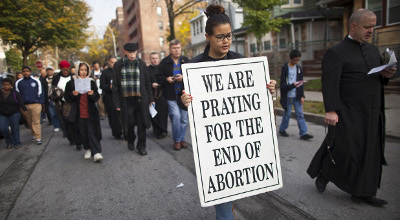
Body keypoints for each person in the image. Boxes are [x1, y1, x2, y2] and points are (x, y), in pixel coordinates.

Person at [180, 4, 277, 219]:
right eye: (220, 37)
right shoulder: (194, 66)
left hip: (239, 140)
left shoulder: (240, 61)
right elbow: (183, 103)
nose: (226, 41)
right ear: (207, 37)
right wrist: (184, 99)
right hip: (214, 144)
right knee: (223, 200)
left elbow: (253, 100)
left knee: (234, 191)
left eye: (229, 36)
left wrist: (268, 90)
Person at [307, 9, 396, 207]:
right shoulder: (336, 52)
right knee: (346, 151)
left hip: (372, 112)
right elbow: (329, 82)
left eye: (373, 26)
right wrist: (331, 110)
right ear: (354, 26)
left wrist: (386, 75)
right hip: (347, 111)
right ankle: (324, 171)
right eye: (367, 27)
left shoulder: (373, 51)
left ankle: (363, 192)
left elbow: (377, 78)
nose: (371, 30)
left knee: (370, 153)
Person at [112, 43, 154, 156]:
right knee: (129, 124)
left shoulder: (142, 64)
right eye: (130, 52)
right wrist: (116, 103)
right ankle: (130, 139)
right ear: (125, 52)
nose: (132, 54)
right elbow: (115, 85)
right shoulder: (118, 65)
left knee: (142, 125)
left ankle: (141, 147)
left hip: (141, 99)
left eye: (134, 52)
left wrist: (151, 98)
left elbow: (147, 82)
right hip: (126, 100)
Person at [65, 62, 103, 162]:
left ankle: (97, 153)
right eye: (81, 70)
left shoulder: (91, 82)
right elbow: (67, 97)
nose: (83, 72)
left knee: (92, 132)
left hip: (91, 113)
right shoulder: (71, 83)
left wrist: (92, 94)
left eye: (85, 70)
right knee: (83, 133)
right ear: (77, 70)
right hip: (78, 113)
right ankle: (87, 149)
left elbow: (96, 97)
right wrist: (73, 94)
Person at [156, 39, 190, 150]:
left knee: (184, 120)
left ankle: (181, 138)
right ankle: (176, 140)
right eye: (174, 48)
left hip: (183, 95)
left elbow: (193, 75)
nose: (177, 50)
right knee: (176, 116)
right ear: (170, 49)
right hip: (170, 95)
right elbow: (158, 77)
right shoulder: (164, 62)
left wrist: (183, 78)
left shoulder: (186, 61)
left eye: (178, 48)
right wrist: (166, 79)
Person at [278, 49, 313, 140]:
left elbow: (301, 83)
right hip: (288, 96)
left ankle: (303, 133)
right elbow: (282, 85)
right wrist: (292, 86)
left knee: (300, 114)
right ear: (290, 58)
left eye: (298, 60)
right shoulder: (285, 68)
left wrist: (302, 96)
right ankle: (282, 129)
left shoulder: (299, 69)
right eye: (295, 60)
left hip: (297, 95)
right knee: (287, 114)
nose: (296, 62)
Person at [52, 60, 81, 149]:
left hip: (73, 102)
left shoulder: (73, 78)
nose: (65, 71)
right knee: (67, 121)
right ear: (61, 69)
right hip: (62, 103)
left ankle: (78, 139)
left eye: (67, 69)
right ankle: (71, 138)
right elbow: (53, 90)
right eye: (63, 70)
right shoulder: (56, 78)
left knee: (75, 121)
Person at [15, 66, 45, 145]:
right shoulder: (18, 82)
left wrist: (41, 102)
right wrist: (21, 106)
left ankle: (38, 138)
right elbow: (17, 95)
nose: (26, 73)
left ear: (30, 72)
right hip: (24, 106)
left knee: (36, 121)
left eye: (27, 71)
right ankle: (33, 134)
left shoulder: (36, 81)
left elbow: (41, 92)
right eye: (24, 71)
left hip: (36, 104)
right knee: (29, 122)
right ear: (22, 72)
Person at [0, 78, 28, 149]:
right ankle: (8, 141)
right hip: (2, 114)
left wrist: (24, 109)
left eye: (8, 85)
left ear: (11, 85)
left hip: (14, 113)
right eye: (4, 85)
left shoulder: (15, 93)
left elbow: (20, 102)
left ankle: (17, 143)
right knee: (3, 129)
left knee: (15, 129)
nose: (6, 86)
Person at [100, 55, 122, 139]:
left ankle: (124, 131)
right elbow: (102, 85)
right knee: (113, 116)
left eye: (115, 62)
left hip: (120, 96)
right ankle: (117, 133)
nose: (114, 64)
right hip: (110, 97)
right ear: (109, 63)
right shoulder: (105, 72)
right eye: (112, 62)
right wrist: (110, 87)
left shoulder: (121, 71)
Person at [148, 52, 168, 139]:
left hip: (162, 94)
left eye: (156, 58)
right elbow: (145, 82)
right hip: (152, 94)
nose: (155, 60)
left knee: (163, 113)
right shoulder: (147, 70)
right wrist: (152, 84)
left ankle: (164, 130)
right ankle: (157, 131)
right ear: (150, 59)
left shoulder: (162, 68)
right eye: (153, 58)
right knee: (154, 114)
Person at [44, 66, 60, 131]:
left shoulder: (56, 79)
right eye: (48, 70)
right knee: (52, 113)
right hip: (49, 99)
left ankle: (61, 125)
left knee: (59, 113)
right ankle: (56, 125)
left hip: (57, 98)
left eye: (50, 70)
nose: (49, 71)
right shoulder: (43, 80)